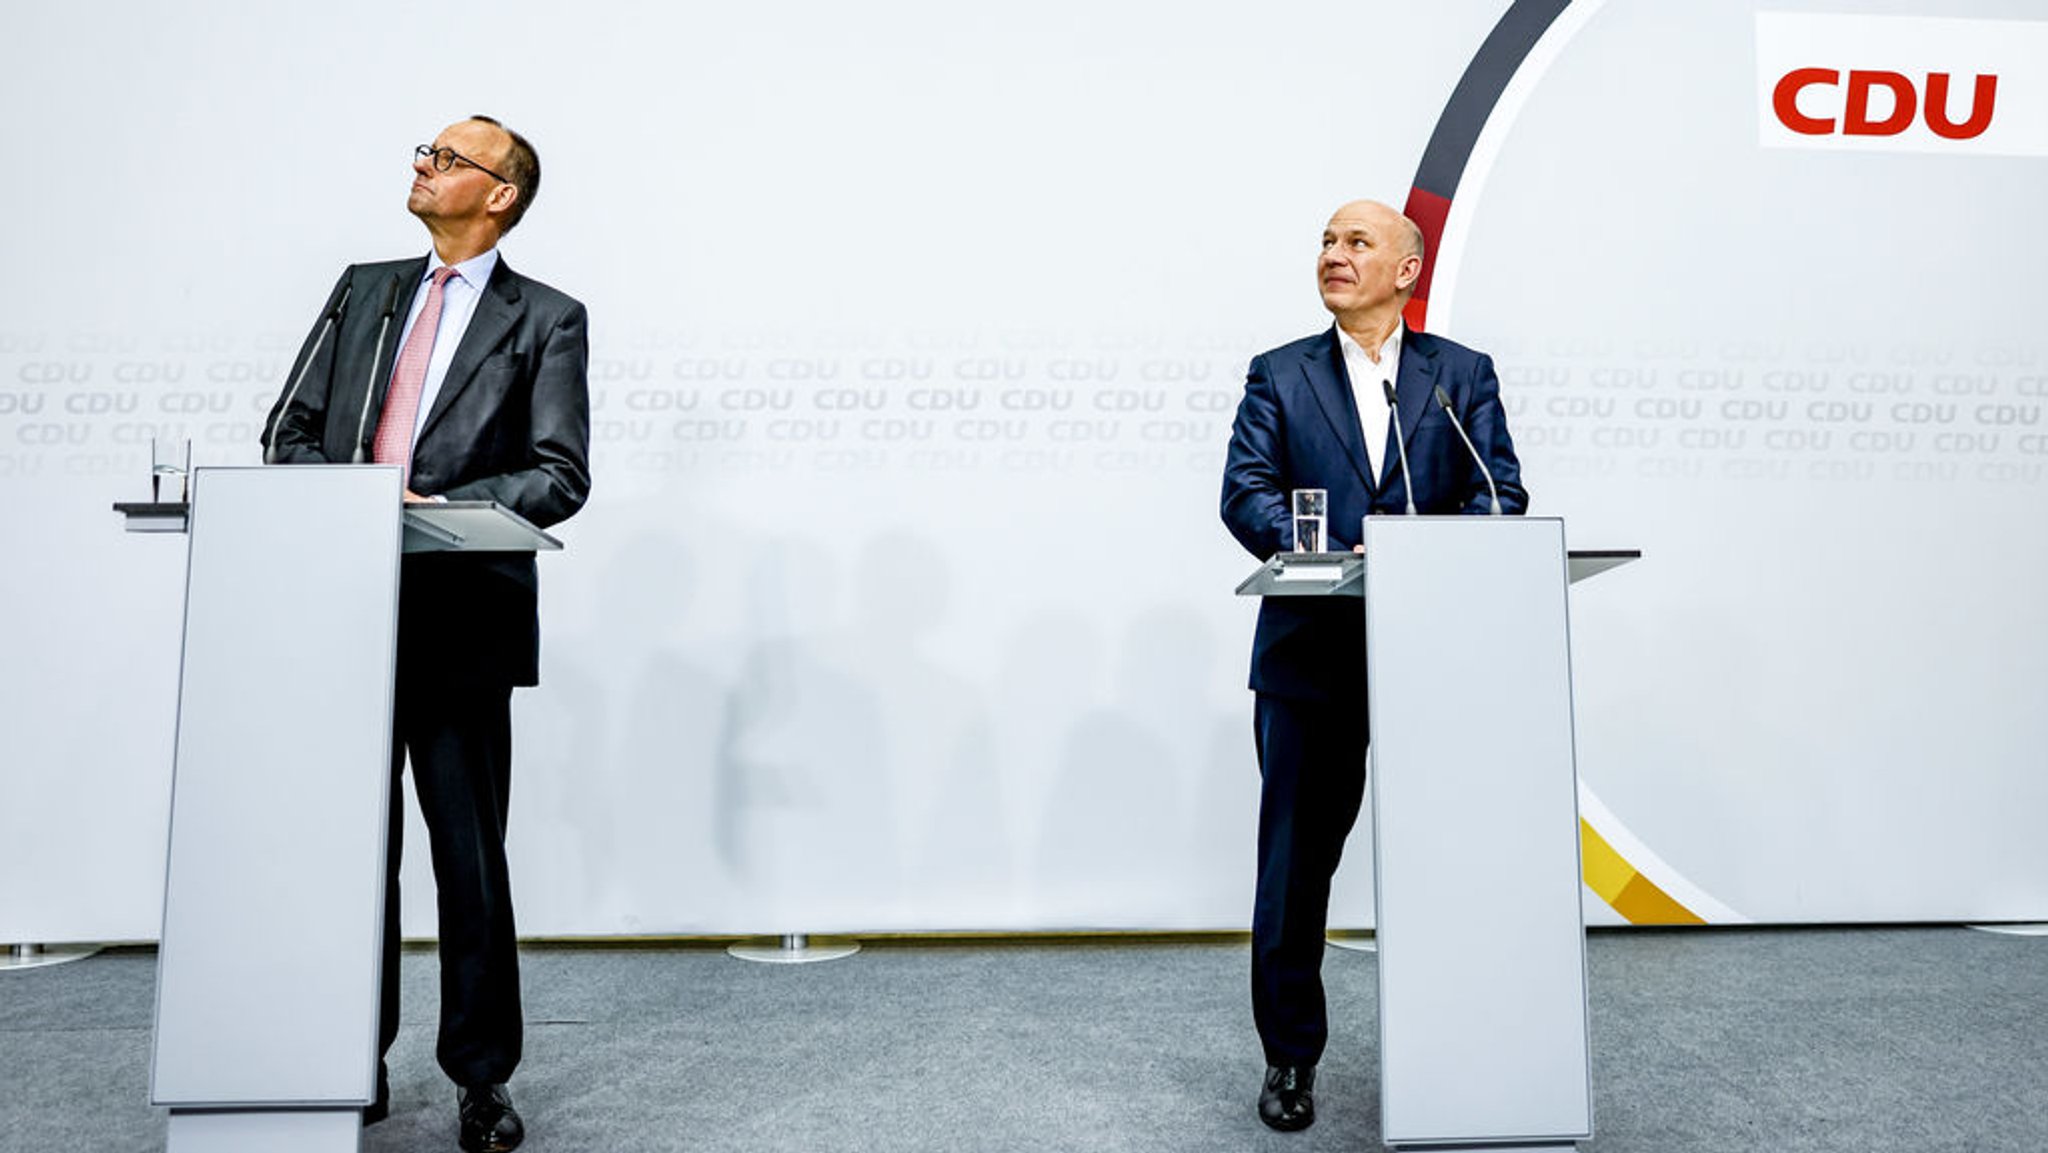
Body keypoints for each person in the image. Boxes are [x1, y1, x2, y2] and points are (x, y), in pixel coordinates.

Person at [261, 115, 591, 1153]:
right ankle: (344, 1062)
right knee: (346, 858)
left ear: (500, 194)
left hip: (459, 621)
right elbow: (287, 432)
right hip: (342, 610)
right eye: (425, 150)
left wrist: (435, 499)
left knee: (466, 857)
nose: (423, 165)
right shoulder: (364, 289)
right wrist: (358, 501)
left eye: (447, 158)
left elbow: (558, 472)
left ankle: (480, 1080)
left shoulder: (545, 316)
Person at [1218, 199, 1526, 1132]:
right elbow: (1245, 492)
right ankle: (1289, 1060)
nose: (1334, 254)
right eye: (1326, 240)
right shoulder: (1279, 373)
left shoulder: (1457, 376)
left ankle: (1462, 1049)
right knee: (1296, 869)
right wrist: (1337, 548)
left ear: (1407, 269)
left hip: (1433, 655)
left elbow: (1501, 490)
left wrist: (1432, 553)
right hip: (1311, 659)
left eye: (1357, 242)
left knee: (1452, 860)